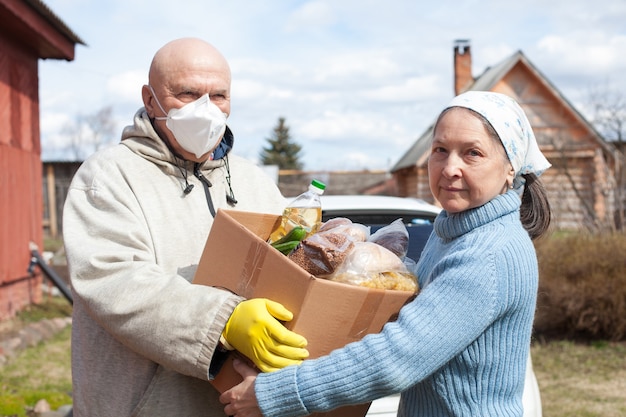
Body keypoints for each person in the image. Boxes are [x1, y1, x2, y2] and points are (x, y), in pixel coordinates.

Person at [220, 90, 552, 417]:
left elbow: (400, 357)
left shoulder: (487, 254)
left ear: (511, 168)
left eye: (472, 153)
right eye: (440, 150)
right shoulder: (453, 230)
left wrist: (272, 393)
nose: (450, 167)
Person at [63, 37, 309, 416]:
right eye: (187, 93)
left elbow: (294, 271)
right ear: (150, 99)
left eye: (219, 96)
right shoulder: (109, 175)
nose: (206, 109)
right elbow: (114, 281)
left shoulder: (254, 183)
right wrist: (224, 320)